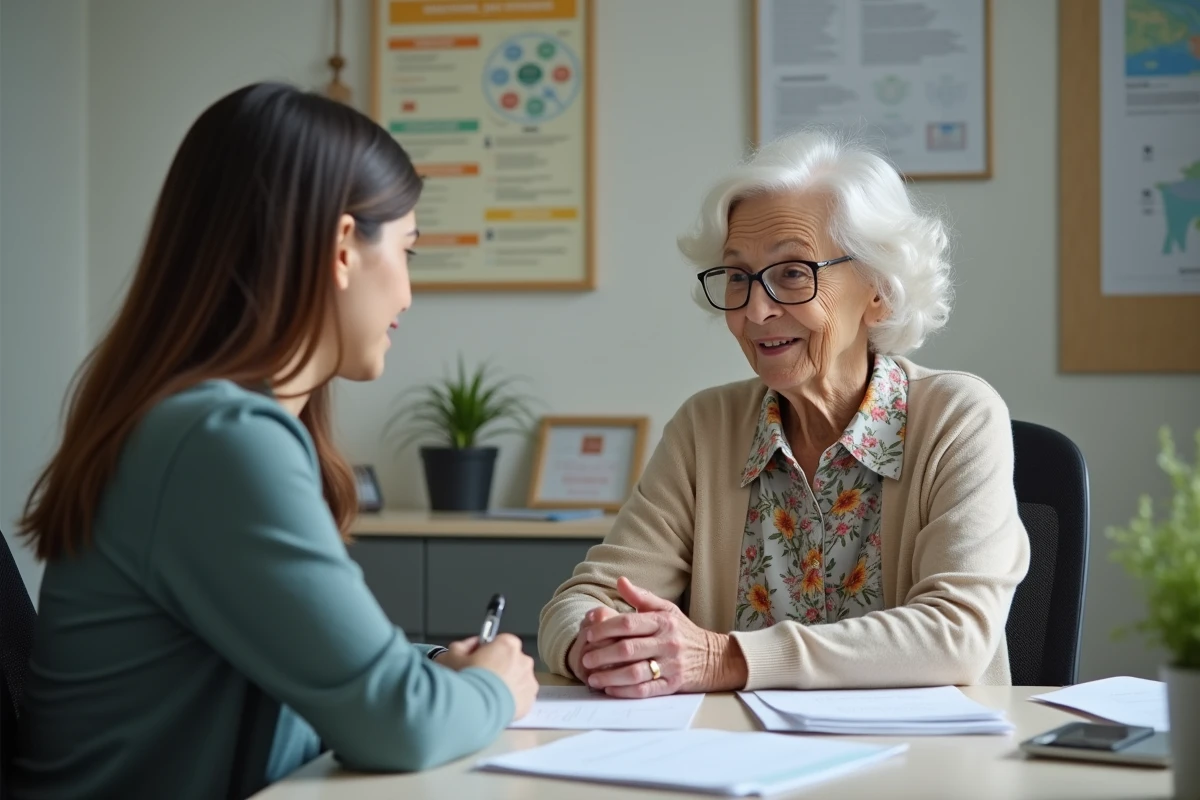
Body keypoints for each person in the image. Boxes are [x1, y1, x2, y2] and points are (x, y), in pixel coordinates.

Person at [11, 82, 537, 800]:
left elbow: (311, 663)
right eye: (408, 251)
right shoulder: (216, 440)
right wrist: (495, 687)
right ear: (343, 246)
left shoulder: (194, 425)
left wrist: (439, 662)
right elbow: (398, 724)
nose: (409, 295)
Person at [538, 129, 1031, 698]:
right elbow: (583, 601)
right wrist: (598, 645)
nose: (756, 309)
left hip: (921, 766)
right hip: (740, 773)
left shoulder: (958, 418)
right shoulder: (707, 428)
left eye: (793, 273)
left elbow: (955, 634)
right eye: (739, 277)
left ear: (878, 287)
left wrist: (723, 658)